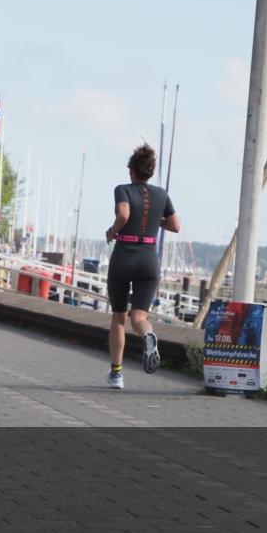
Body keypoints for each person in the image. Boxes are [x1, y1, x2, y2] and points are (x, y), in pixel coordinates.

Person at [104, 144, 180, 390]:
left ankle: (116, 374)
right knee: (139, 317)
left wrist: (112, 231)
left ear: (131, 170)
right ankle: (148, 335)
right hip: (148, 260)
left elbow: (124, 215)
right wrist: (155, 221)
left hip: (124, 256)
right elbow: (175, 226)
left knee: (119, 318)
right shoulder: (162, 194)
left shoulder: (123, 189)